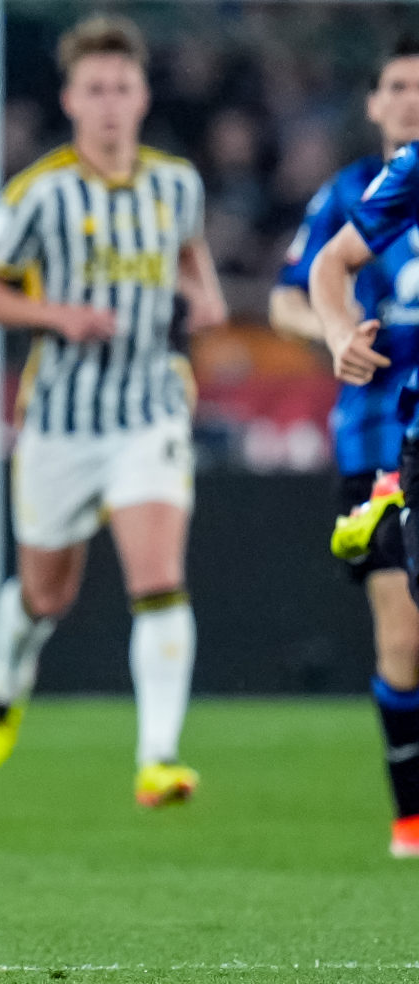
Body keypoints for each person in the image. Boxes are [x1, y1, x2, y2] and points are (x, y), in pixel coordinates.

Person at [0, 16, 227, 805]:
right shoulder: (40, 193)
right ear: (73, 100)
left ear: (142, 96)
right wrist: (60, 317)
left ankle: (158, 757)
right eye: (96, 90)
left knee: (158, 578)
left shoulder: (177, 184)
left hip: (150, 408)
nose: (110, 103)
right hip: (61, 419)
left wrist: (205, 294)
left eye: (123, 88)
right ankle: (6, 686)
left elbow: (189, 252)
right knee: (47, 595)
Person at [270, 39, 419, 860]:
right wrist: (333, 334)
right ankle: (410, 814)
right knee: (402, 633)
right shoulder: (351, 194)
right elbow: (295, 291)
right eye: (396, 86)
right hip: (378, 432)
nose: (410, 99)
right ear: (373, 103)